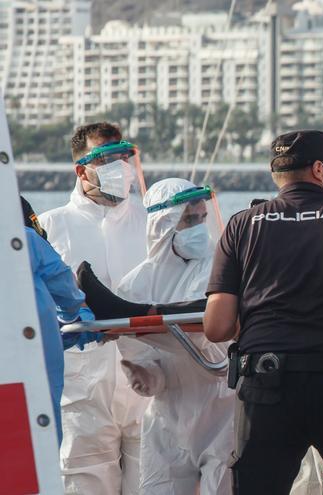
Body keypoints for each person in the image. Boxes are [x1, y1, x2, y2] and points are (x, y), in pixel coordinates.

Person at [203, 130, 323, 494]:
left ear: (275, 175)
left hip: (265, 385)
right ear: (319, 169)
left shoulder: (242, 225)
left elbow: (217, 327)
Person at [38, 122, 149, 495]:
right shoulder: (51, 227)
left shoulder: (152, 223)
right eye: (106, 158)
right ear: (82, 170)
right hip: (82, 390)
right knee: (84, 485)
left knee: (155, 484)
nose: (119, 165)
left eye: (123, 155)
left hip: (151, 385)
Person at [110, 178, 234, 494]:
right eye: (189, 220)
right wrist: (146, 375)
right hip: (166, 416)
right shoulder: (134, 285)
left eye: (202, 218)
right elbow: (141, 359)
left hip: (221, 409)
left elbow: (208, 341)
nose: (199, 227)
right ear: (162, 225)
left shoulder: (217, 272)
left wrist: (137, 321)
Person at [21, 196, 94, 444]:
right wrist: (76, 319)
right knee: (38, 451)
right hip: (30, 377)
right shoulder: (27, 241)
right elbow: (67, 290)